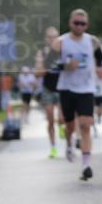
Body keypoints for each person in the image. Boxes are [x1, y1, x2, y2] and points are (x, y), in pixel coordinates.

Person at [52, 9, 102, 181]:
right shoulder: (61, 42)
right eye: (76, 23)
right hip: (66, 88)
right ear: (70, 23)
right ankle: (69, 143)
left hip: (86, 88)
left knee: (85, 125)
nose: (79, 26)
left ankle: (86, 164)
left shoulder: (92, 41)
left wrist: (99, 68)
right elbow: (50, 64)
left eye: (82, 23)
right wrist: (66, 65)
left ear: (87, 25)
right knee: (69, 125)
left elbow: (100, 58)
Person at [35, 27, 64, 158]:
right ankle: (53, 147)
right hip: (48, 88)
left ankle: (64, 130)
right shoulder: (41, 53)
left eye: (55, 36)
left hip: (62, 87)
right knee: (50, 119)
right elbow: (38, 73)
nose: (52, 39)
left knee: (62, 118)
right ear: (45, 39)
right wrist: (45, 65)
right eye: (50, 37)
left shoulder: (63, 51)